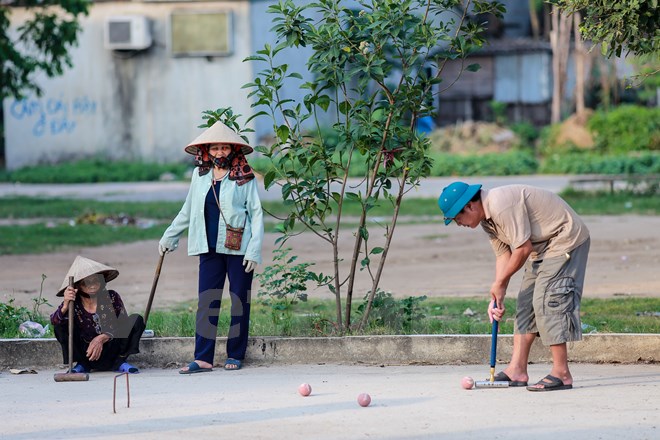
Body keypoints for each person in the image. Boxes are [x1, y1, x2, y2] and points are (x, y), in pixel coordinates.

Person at [438, 182, 590, 391]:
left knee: (548, 300)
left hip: (564, 239)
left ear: (470, 207)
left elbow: (522, 248)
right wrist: (498, 292)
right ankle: (516, 370)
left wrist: (501, 282)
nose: (459, 223)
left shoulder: (500, 205)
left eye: (457, 218)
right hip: (542, 248)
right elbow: (504, 255)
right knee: (526, 305)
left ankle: (562, 373)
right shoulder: (486, 220)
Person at [159, 121, 264, 374]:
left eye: (224, 148)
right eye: (215, 148)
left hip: (239, 248)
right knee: (207, 301)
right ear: (206, 151)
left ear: (233, 150)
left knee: (239, 300)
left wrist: (254, 250)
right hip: (208, 247)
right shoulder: (200, 175)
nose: (219, 153)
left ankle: (235, 354)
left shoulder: (244, 176)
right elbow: (188, 209)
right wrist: (169, 236)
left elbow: (257, 214)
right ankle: (203, 357)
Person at [51, 255, 145, 374]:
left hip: (112, 350)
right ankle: (82, 364)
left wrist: (101, 338)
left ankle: (120, 362)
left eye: (96, 280)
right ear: (78, 285)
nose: (92, 285)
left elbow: (121, 324)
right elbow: (54, 321)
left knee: (136, 319)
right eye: (86, 282)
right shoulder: (73, 303)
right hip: (87, 353)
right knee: (60, 326)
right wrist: (65, 305)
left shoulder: (111, 297)